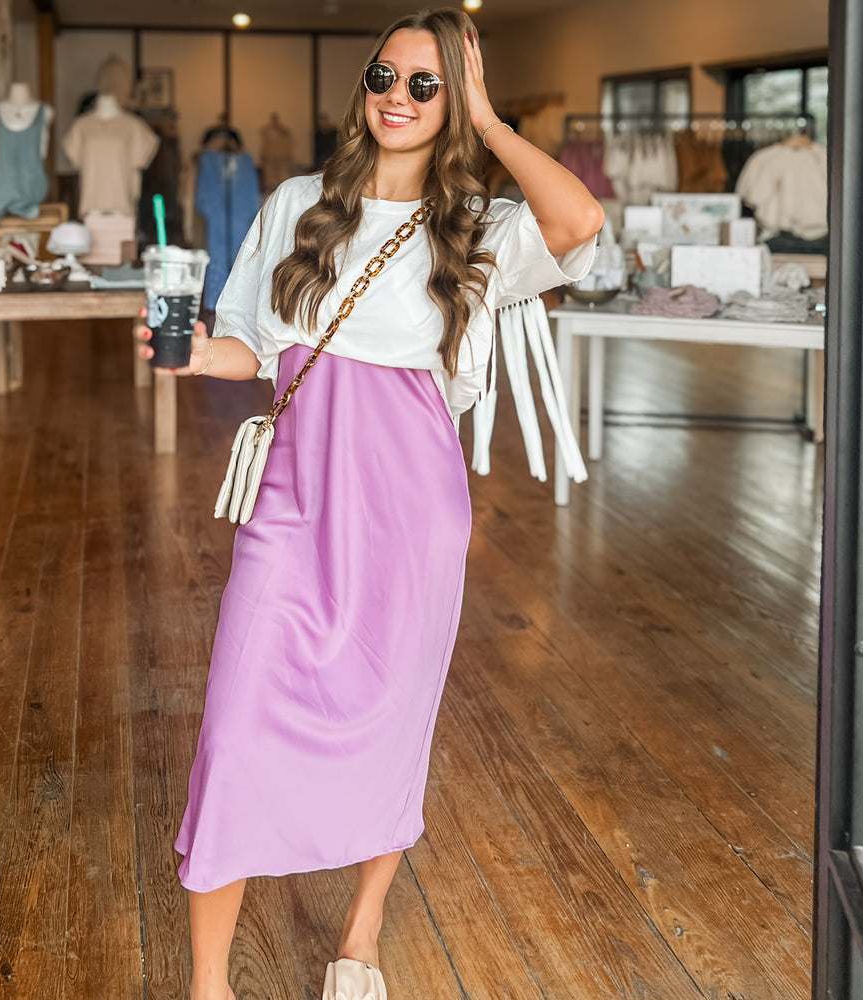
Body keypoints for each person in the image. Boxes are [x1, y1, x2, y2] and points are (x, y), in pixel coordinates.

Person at [136, 9, 603, 1000]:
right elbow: (250, 348)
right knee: (233, 731)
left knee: (392, 724)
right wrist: (177, 355)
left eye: (423, 84)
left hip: (410, 513)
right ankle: (207, 985)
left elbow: (579, 222)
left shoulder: (475, 222)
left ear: (455, 103)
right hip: (295, 501)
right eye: (384, 75)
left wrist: (488, 116)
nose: (396, 95)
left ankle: (361, 930)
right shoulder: (301, 200)